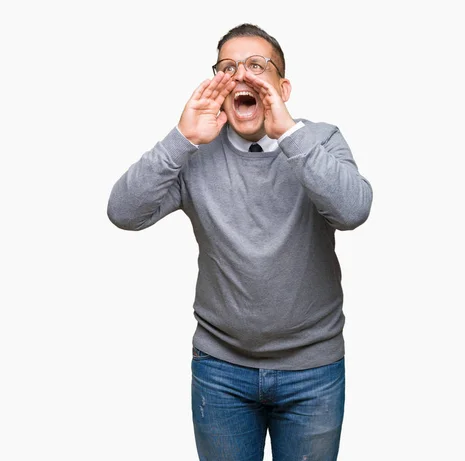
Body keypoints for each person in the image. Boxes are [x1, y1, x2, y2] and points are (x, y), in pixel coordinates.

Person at [107, 23, 373, 461]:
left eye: (257, 66)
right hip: (221, 371)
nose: (242, 76)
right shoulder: (195, 154)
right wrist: (182, 139)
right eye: (228, 68)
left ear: (282, 87)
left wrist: (288, 132)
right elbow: (123, 212)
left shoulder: (320, 140)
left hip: (313, 370)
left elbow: (353, 210)